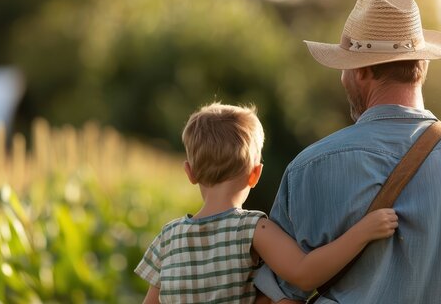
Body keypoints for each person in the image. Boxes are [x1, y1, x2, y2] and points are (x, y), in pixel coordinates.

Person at [254, 0, 441, 303]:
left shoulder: (308, 169)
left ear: (362, 71)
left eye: (345, 67)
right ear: (423, 65)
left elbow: (275, 298)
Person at [134, 102, 399, 303]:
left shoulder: (168, 237)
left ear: (190, 173)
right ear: (255, 174)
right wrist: (363, 231)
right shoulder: (250, 228)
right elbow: (305, 272)